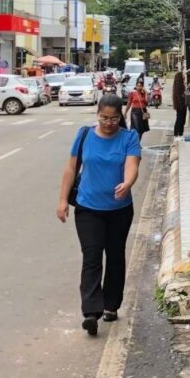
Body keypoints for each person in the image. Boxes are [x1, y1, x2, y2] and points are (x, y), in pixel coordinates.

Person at [56, 94, 142, 337]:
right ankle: (91, 313)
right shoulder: (84, 135)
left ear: (120, 117)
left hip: (119, 210)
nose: (108, 123)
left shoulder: (129, 137)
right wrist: (62, 200)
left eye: (114, 118)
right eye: (104, 118)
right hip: (88, 208)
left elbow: (132, 164)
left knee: (115, 256)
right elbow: (71, 168)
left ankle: (111, 305)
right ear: (97, 115)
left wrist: (127, 183)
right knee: (92, 256)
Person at [172, 70, 187, 138]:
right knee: (180, 119)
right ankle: (178, 133)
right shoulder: (179, 86)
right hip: (181, 106)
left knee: (180, 119)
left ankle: (178, 133)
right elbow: (180, 97)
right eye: (183, 75)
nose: (184, 76)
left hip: (180, 106)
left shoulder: (179, 85)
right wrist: (182, 106)